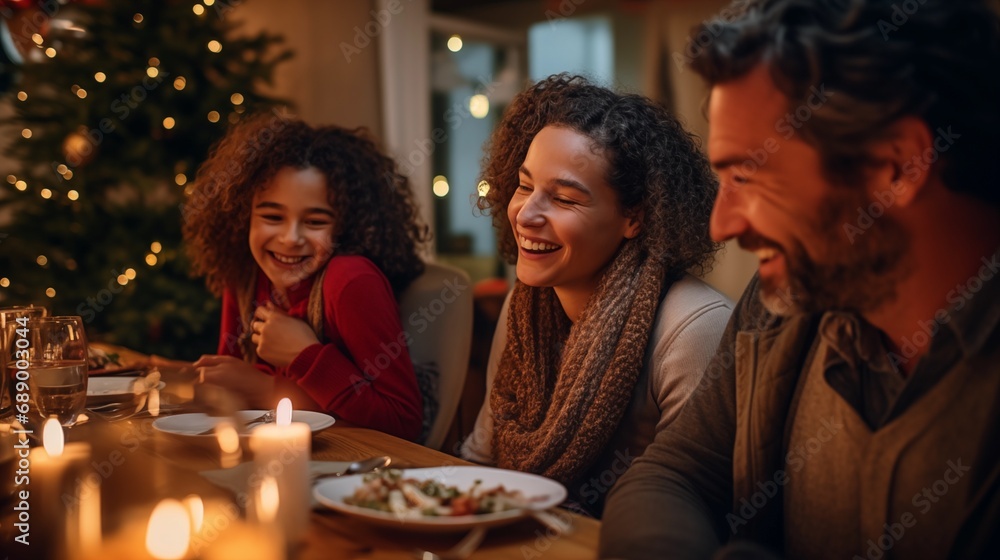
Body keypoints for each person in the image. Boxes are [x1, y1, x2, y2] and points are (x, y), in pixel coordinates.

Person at [600, 0, 1000, 558]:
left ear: (897, 165)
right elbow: (673, 476)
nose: (721, 225)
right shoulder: (780, 306)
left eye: (747, 175)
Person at [460, 75, 733, 517]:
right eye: (525, 186)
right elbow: (482, 460)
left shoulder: (694, 327)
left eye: (564, 199)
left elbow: (696, 514)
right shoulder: (523, 307)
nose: (526, 214)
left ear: (635, 217)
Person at [182, 115, 430, 441]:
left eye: (315, 222)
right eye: (272, 216)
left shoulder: (351, 282)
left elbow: (403, 422)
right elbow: (232, 392)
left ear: (345, 226)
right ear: (243, 214)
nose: (289, 238)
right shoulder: (245, 274)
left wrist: (303, 358)